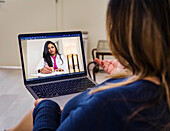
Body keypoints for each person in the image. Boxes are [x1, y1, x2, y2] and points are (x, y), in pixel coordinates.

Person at [6, 0, 170, 130]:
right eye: (48, 47)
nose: (51, 48)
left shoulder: (107, 104)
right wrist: (128, 74)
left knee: (31, 116)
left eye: (52, 46)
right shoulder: (161, 88)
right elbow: (38, 71)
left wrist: (45, 105)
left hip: (55, 114)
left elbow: (100, 110)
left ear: (122, 31)